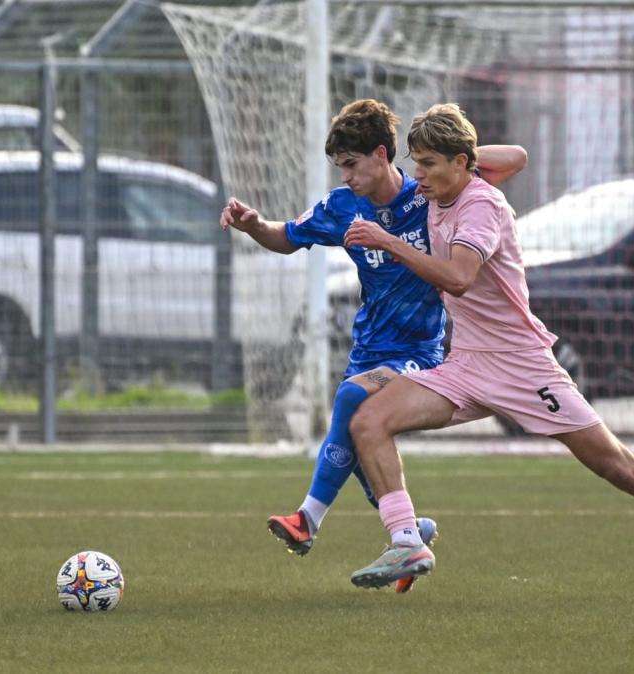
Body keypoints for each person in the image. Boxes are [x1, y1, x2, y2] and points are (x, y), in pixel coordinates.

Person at [342, 103, 634, 606]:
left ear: (461, 163)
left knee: (618, 467)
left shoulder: (481, 205)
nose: (416, 175)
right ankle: (406, 542)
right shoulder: (441, 184)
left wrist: (388, 240)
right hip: (467, 362)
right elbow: (515, 155)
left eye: (427, 163)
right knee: (368, 421)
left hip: (521, 365)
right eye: (415, 161)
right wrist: (446, 150)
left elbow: (459, 279)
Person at [219, 99, 526, 593]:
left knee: (349, 402)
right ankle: (412, 530)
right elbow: (288, 236)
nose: (346, 176)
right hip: (369, 346)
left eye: (352, 164)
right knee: (361, 439)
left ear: (382, 155)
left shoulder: (426, 191)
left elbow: (515, 157)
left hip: (420, 349)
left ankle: (308, 520)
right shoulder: (343, 206)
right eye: (340, 167)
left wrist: (455, 155)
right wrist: (254, 224)